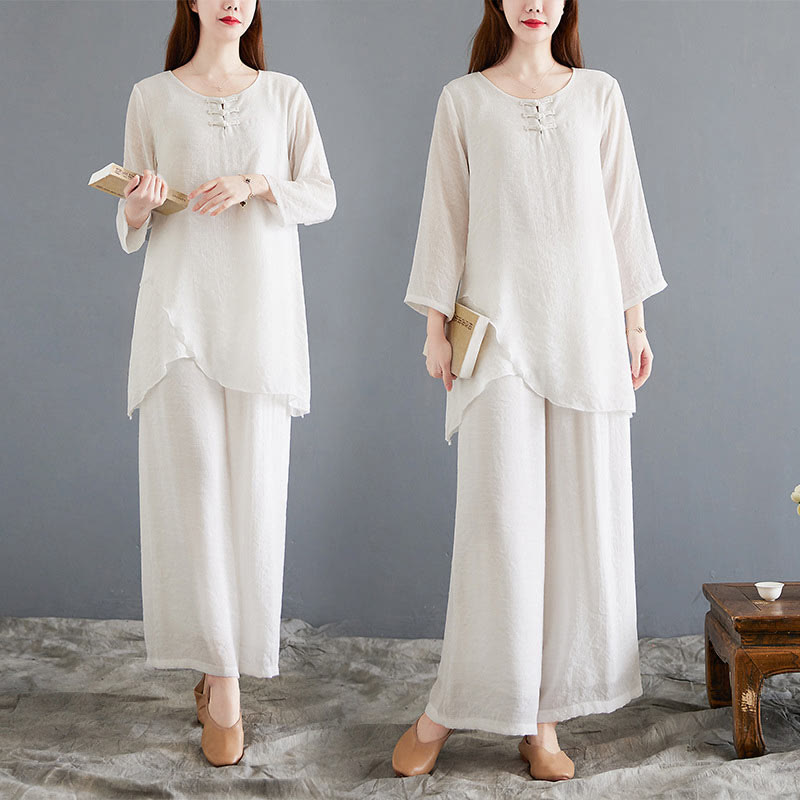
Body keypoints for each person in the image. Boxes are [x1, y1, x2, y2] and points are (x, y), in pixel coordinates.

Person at [393, 0, 667, 782]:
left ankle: (540, 722)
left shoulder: (600, 94)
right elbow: (445, 215)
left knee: (573, 530)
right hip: (499, 339)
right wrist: (435, 328)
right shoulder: (463, 100)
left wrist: (635, 325)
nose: (535, 4)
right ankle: (450, 705)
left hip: (587, 333)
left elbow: (623, 215)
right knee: (499, 529)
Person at [115, 0, 336, 766]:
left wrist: (257, 183)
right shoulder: (152, 96)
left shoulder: (285, 95)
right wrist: (138, 205)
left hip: (261, 321)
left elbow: (322, 194)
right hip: (178, 317)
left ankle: (230, 664)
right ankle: (223, 681)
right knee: (197, 492)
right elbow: (132, 224)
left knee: (255, 494)